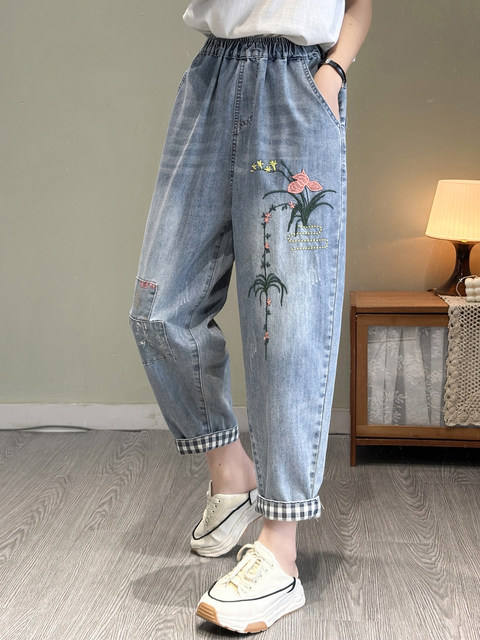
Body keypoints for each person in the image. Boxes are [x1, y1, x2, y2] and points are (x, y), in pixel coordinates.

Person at [129, 0, 372, 633]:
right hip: (210, 79)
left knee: (285, 329)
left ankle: (279, 551)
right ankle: (232, 469)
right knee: (159, 309)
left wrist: (333, 72)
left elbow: (360, 5)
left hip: (298, 83)